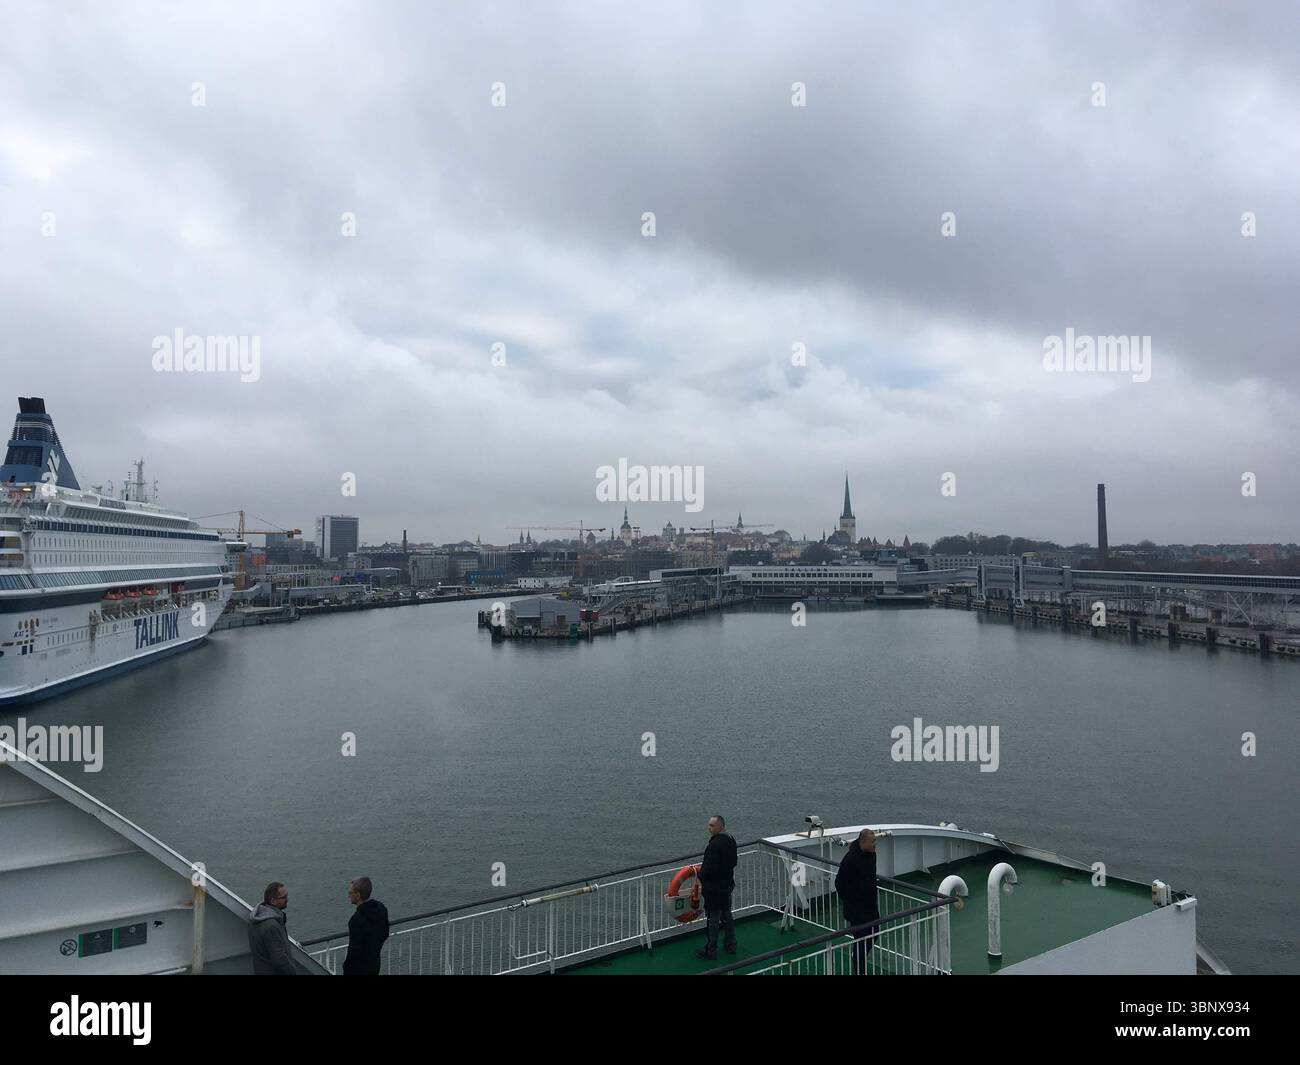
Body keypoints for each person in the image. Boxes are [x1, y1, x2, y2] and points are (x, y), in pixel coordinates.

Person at [835, 828, 879, 975]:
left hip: (871, 906)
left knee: (875, 934)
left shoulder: (872, 856)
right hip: (856, 910)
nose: (875, 844)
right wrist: (849, 900)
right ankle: (860, 971)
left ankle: (858, 960)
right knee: (860, 941)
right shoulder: (850, 859)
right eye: (872, 842)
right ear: (863, 842)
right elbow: (839, 883)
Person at [694, 814, 738, 960]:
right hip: (727, 885)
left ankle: (711, 950)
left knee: (713, 919)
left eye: (712, 825)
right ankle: (731, 944)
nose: (709, 828)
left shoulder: (714, 845)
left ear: (721, 826)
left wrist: (700, 878)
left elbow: (709, 868)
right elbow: (733, 863)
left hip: (715, 889)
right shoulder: (730, 840)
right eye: (709, 825)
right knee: (727, 915)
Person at [342, 876, 390, 975]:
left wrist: (346, 970)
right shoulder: (381, 909)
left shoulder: (356, 920)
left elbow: (353, 952)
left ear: (358, 895)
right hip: (374, 964)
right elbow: (385, 933)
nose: (348, 895)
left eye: (350, 892)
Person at [248, 881, 297, 975]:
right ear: (273, 901)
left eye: (287, 895)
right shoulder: (271, 925)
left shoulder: (257, 918)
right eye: (284, 897)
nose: (287, 899)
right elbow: (279, 959)